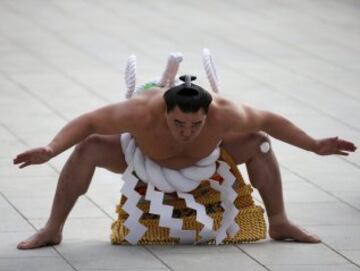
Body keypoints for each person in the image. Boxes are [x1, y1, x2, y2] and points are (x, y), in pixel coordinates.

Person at [13, 75, 356, 249]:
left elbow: (270, 120)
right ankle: (53, 228)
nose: (187, 131)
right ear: (164, 111)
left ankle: (279, 222)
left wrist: (314, 145)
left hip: (211, 160)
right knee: (88, 147)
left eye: (196, 124)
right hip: (144, 156)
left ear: (209, 114)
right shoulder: (141, 112)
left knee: (260, 144)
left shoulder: (225, 113)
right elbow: (88, 121)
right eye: (178, 123)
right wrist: (50, 149)